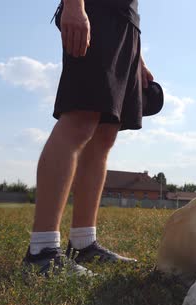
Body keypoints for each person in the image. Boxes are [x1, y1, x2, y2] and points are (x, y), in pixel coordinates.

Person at [22, 0, 153, 276]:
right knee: (79, 120)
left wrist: (137, 55)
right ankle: (41, 251)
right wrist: (73, 5)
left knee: (105, 134)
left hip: (125, 22)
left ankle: (83, 243)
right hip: (96, 10)